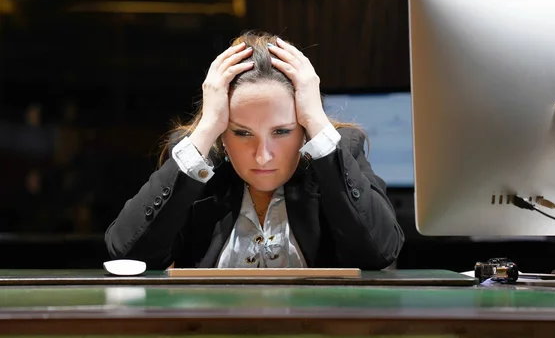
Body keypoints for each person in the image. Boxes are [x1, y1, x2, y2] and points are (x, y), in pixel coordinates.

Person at [105, 31, 404, 270]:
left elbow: (379, 253)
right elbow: (130, 255)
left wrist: (317, 121)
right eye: (242, 133)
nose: (263, 155)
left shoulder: (338, 153)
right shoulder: (197, 162)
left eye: (282, 131)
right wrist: (207, 128)